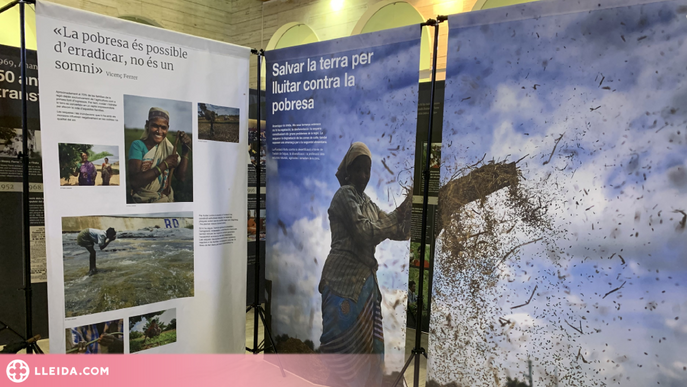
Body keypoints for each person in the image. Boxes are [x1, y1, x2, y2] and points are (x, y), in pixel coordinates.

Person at [318, 142, 412, 387]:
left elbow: (394, 228)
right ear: (347, 171)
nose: (363, 176)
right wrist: (398, 217)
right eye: (358, 169)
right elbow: (365, 232)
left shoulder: (368, 204)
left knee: (368, 356)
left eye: (367, 171)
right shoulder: (344, 195)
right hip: (342, 286)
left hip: (365, 289)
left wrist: (415, 214)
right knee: (342, 359)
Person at [127, 107, 191, 203]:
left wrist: (185, 150)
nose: (159, 131)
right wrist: (164, 165)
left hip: (166, 200)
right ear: (147, 124)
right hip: (143, 201)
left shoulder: (168, 148)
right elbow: (135, 182)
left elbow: (181, 177)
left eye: (163, 127)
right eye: (155, 126)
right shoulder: (137, 146)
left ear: (167, 128)